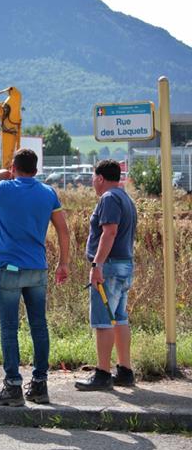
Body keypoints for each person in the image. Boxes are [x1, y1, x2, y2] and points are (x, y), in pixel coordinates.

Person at [0, 148, 70, 406]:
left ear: (13, 167)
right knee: (39, 326)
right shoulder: (48, 193)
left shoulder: (4, 187)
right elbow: (63, 230)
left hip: (8, 268)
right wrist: (63, 263)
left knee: (9, 329)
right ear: (36, 168)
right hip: (37, 269)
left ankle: (13, 387)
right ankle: (40, 385)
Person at [75, 159, 137, 391]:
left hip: (109, 267)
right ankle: (125, 370)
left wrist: (97, 265)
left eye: (93, 177)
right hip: (124, 265)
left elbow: (109, 233)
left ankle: (102, 373)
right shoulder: (125, 197)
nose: (92, 182)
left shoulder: (109, 198)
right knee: (119, 318)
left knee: (103, 320)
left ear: (100, 178)